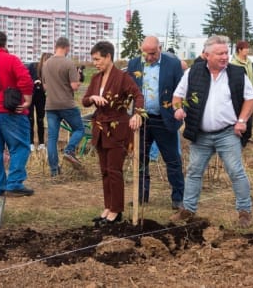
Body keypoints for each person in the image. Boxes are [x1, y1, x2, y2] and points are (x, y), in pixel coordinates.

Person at [170, 35, 253, 228]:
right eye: (220, 53)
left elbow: (250, 98)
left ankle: (245, 212)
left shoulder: (236, 73)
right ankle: (188, 210)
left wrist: (242, 121)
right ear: (207, 55)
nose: (225, 57)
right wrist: (178, 109)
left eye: (226, 52)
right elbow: (177, 96)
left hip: (228, 133)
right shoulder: (193, 73)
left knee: (236, 171)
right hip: (200, 134)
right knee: (193, 172)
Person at [82, 41, 144, 224]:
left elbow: (138, 96)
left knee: (114, 170)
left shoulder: (122, 78)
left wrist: (137, 114)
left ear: (108, 56)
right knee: (104, 171)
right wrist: (92, 97)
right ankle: (108, 206)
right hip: (100, 128)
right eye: (93, 59)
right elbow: (85, 100)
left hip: (118, 128)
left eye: (98, 59)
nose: (95, 63)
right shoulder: (95, 78)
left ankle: (116, 210)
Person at [128, 36, 185, 209]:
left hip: (164, 119)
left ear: (160, 48)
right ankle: (140, 196)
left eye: (152, 53)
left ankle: (178, 198)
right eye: (145, 53)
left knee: (172, 160)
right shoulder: (134, 64)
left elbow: (181, 89)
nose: (149, 57)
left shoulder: (173, 64)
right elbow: (130, 90)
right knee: (140, 159)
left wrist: (178, 110)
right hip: (142, 120)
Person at [0, 30, 34, 197]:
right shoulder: (11, 59)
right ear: (4, 44)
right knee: (19, 146)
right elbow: (25, 79)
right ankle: (14, 182)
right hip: (10, 111)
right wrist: (26, 99)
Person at [42, 37, 84, 176]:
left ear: (56, 46)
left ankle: (54, 170)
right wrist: (77, 77)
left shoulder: (46, 64)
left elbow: (45, 86)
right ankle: (69, 151)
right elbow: (74, 87)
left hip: (50, 105)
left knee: (52, 138)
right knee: (79, 129)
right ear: (67, 47)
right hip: (66, 104)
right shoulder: (68, 63)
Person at [27, 53, 51, 152]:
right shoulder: (33, 66)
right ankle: (31, 142)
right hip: (30, 95)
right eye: (47, 61)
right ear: (43, 60)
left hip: (41, 96)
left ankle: (41, 143)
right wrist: (34, 81)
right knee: (30, 119)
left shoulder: (49, 70)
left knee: (40, 119)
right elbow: (26, 78)